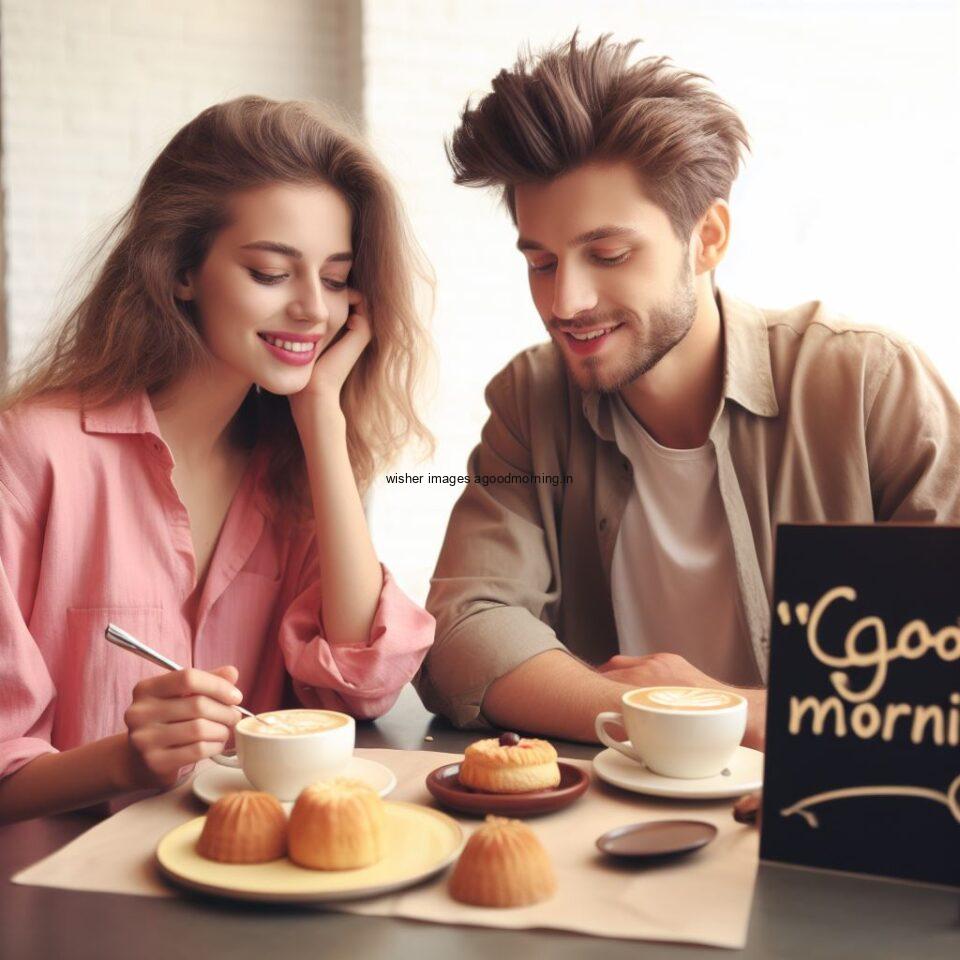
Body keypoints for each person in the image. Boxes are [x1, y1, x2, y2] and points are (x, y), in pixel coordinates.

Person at [415, 34, 960, 747]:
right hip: (612, 829)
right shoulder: (532, 401)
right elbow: (464, 633)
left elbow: (939, 678)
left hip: (826, 835)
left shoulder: (868, 389)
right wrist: (649, 712)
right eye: (541, 261)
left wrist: (722, 712)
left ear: (707, 238)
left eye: (607, 254)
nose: (566, 300)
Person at [0, 96, 435, 822]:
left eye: (334, 279)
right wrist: (124, 759)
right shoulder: (33, 453)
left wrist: (322, 420)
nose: (313, 311)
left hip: (245, 894)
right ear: (180, 271)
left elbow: (364, 681)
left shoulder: (289, 475)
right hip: (61, 912)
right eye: (271, 272)